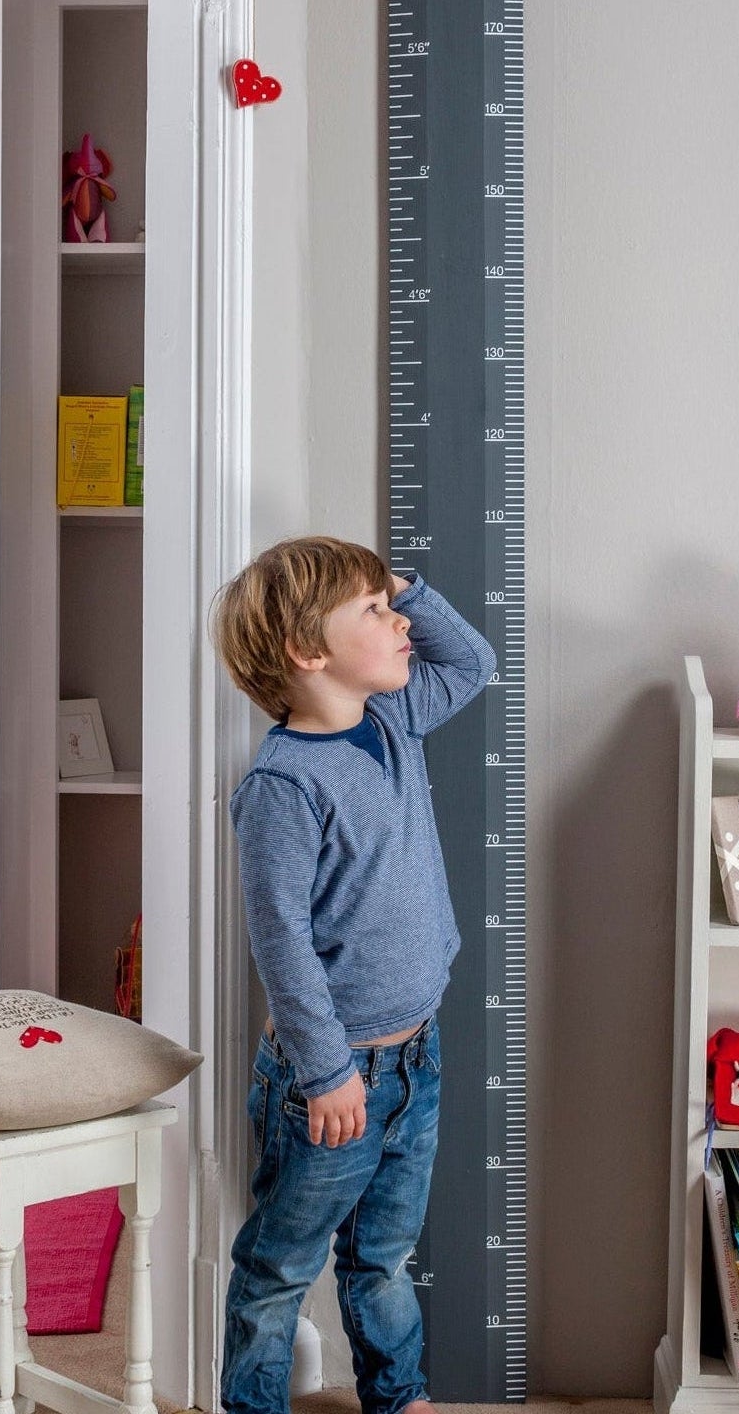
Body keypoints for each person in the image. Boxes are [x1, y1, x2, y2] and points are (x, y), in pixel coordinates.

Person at [212, 535, 496, 1414]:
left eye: (390, 602)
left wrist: (403, 581)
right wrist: (326, 1071)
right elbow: (282, 946)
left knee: (381, 1256)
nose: (399, 618)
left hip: (415, 1058)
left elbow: (475, 662)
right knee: (277, 1269)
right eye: (373, 610)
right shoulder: (283, 787)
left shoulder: (392, 719)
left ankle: (397, 1396)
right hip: (333, 1080)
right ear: (309, 651)